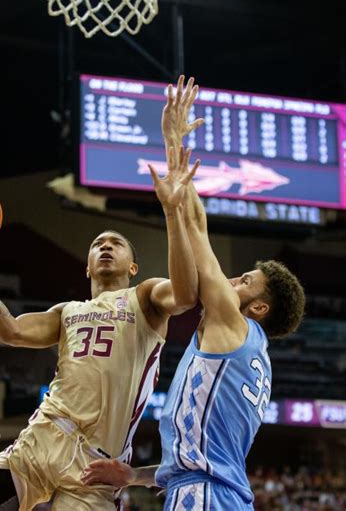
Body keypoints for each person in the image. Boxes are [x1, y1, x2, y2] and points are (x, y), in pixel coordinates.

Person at [0, 137, 203, 510]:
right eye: (98, 243)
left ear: (133, 268)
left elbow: (186, 295)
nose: (106, 246)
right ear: (87, 265)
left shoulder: (145, 297)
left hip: (96, 463)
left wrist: (172, 212)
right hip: (41, 441)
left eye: (116, 243)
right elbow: (10, 330)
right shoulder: (66, 311)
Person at [82, 76, 306, 509]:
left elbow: (197, 227)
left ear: (258, 307)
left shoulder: (233, 323)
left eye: (244, 281)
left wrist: (171, 144)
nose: (231, 281)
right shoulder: (251, 354)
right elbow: (199, 459)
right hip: (214, 494)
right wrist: (134, 475)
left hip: (204, 497)